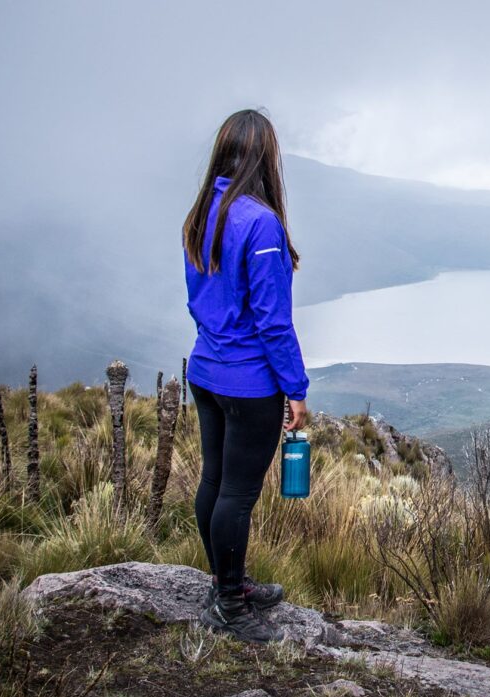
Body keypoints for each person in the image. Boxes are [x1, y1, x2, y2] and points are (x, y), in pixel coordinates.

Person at [182, 109, 309, 643]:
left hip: (205, 371)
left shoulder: (202, 211)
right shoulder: (259, 222)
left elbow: (202, 297)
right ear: (265, 158)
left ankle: (225, 582)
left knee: (214, 480)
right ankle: (229, 606)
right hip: (248, 382)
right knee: (237, 492)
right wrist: (296, 389)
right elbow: (273, 320)